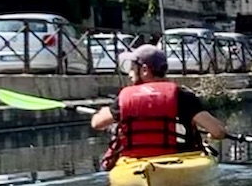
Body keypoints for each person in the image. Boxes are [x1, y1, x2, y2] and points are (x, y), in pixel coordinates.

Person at [89, 44, 229, 168]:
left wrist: (103, 111)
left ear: (144, 70)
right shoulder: (183, 97)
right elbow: (218, 131)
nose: (130, 74)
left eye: (132, 68)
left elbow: (97, 123)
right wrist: (211, 136)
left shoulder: (124, 98)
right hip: (178, 163)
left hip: (134, 164)